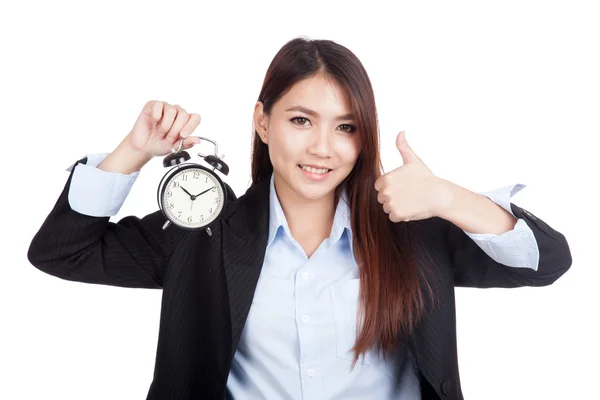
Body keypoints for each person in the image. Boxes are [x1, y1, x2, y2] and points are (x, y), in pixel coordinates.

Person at [27, 37, 572, 400]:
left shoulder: (411, 230)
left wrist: (450, 198)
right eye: (301, 119)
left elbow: (546, 261)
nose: (322, 147)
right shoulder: (202, 232)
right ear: (262, 123)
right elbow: (61, 250)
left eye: (345, 127)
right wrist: (133, 150)